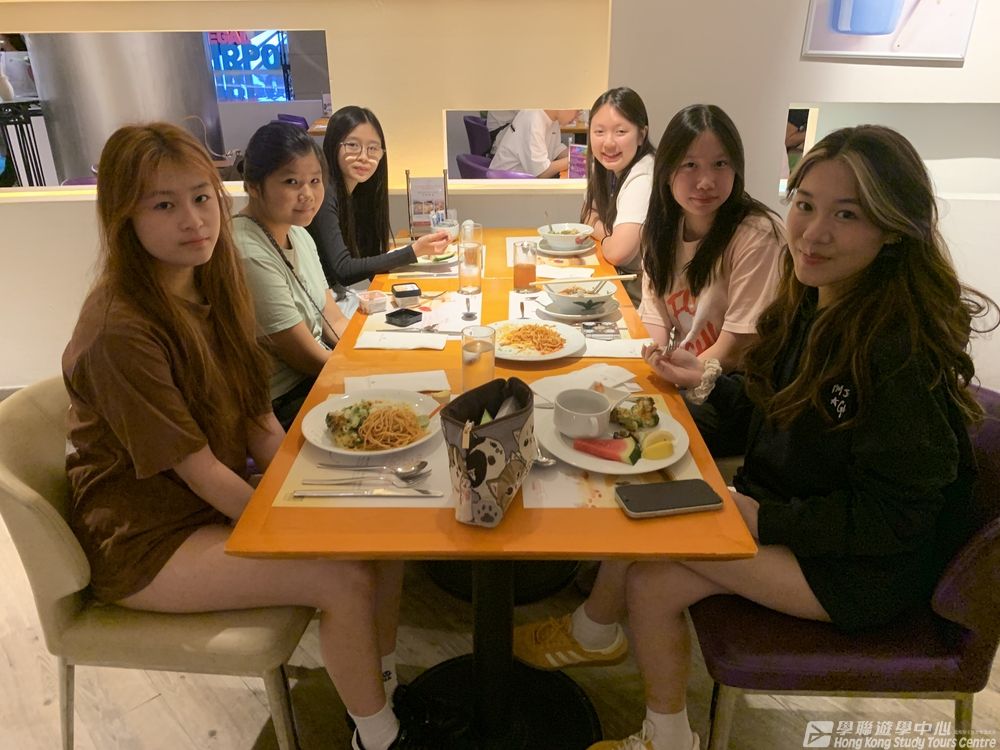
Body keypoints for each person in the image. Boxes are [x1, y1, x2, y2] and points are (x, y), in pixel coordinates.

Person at [611, 125, 994, 750]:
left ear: (894, 228)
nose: (813, 233)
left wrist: (763, 519)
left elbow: (897, 518)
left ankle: (610, 659)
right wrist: (702, 381)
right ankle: (667, 734)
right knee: (648, 576)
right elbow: (774, 403)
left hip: (861, 571)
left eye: (847, 214)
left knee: (650, 535)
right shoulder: (812, 301)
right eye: (806, 205)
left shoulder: (896, 350)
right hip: (798, 518)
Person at [62, 122, 437, 750]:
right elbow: (198, 469)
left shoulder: (211, 281)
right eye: (164, 205)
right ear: (124, 218)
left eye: (201, 197)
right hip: (149, 537)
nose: (194, 220)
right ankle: (379, 738)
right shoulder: (120, 329)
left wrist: (317, 486)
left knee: (383, 529)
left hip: (215, 491)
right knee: (342, 578)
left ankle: (381, 685)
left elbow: (257, 419)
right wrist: (292, 523)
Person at [512, 105, 787, 679]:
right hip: (687, 378)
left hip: (737, 395)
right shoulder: (667, 225)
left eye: (720, 165)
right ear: (668, 171)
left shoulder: (754, 233)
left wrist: (681, 376)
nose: (705, 180)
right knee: (582, 398)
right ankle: (603, 549)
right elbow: (656, 313)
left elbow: (739, 344)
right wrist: (653, 359)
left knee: (634, 443)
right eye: (689, 165)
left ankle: (596, 626)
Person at [233, 121, 348, 429]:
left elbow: (333, 319)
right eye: (291, 182)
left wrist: (366, 355)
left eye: (315, 180)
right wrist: (365, 372)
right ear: (254, 186)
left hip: (318, 377)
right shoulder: (246, 251)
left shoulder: (298, 233)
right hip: (284, 402)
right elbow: (304, 358)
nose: (307, 194)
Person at [307, 105, 450, 314]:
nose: (364, 156)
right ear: (333, 145)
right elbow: (344, 270)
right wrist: (414, 251)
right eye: (353, 145)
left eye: (373, 148)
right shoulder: (324, 192)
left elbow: (365, 259)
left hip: (344, 296)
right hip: (326, 306)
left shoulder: (358, 192)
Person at [580, 87, 656, 306]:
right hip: (620, 281)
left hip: (644, 296)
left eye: (620, 132)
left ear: (641, 135)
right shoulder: (606, 167)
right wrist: (610, 235)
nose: (609, 143)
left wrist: (602, 232)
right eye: (599, 132)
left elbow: (617, 252)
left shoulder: (643, 175)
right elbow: (586, 215)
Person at [489, 108, 578, 178]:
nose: (576, 117)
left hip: (524, 182)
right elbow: (541, 172)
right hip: (505, 183)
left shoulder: (552, 119)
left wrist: (580, 153)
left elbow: (556, 149)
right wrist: (573, 160)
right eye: (577, 111)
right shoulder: (533, 118)